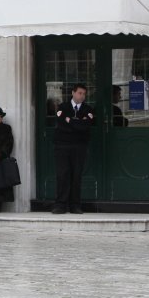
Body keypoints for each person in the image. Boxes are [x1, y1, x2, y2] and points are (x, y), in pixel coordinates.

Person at [53, 83, 94, 215]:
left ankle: (75, 205)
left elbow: (85, 126)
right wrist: (76, 123)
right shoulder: (62, 107)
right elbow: (61, 125)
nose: (82, 96)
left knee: (76, 175)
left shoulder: (88, 109)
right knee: (63, 174)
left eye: (84, 94)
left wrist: (70, 121)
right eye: (79, 93)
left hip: (79, 146)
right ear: (73, 93)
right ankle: (60, 205)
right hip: (62, 145)